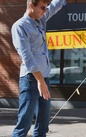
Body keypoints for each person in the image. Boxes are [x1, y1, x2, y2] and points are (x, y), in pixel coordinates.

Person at [11, 0, 65, 136]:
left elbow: (55, 6)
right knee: (24, 125)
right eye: (42, 8)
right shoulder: (20, 26)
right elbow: (27, 58)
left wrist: (43, 81)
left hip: (44, 79)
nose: (45, 11)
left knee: (43, 125)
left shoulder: (40, 20)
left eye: (46, 8)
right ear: (31, 6)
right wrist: (40, 81)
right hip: (30, 80)